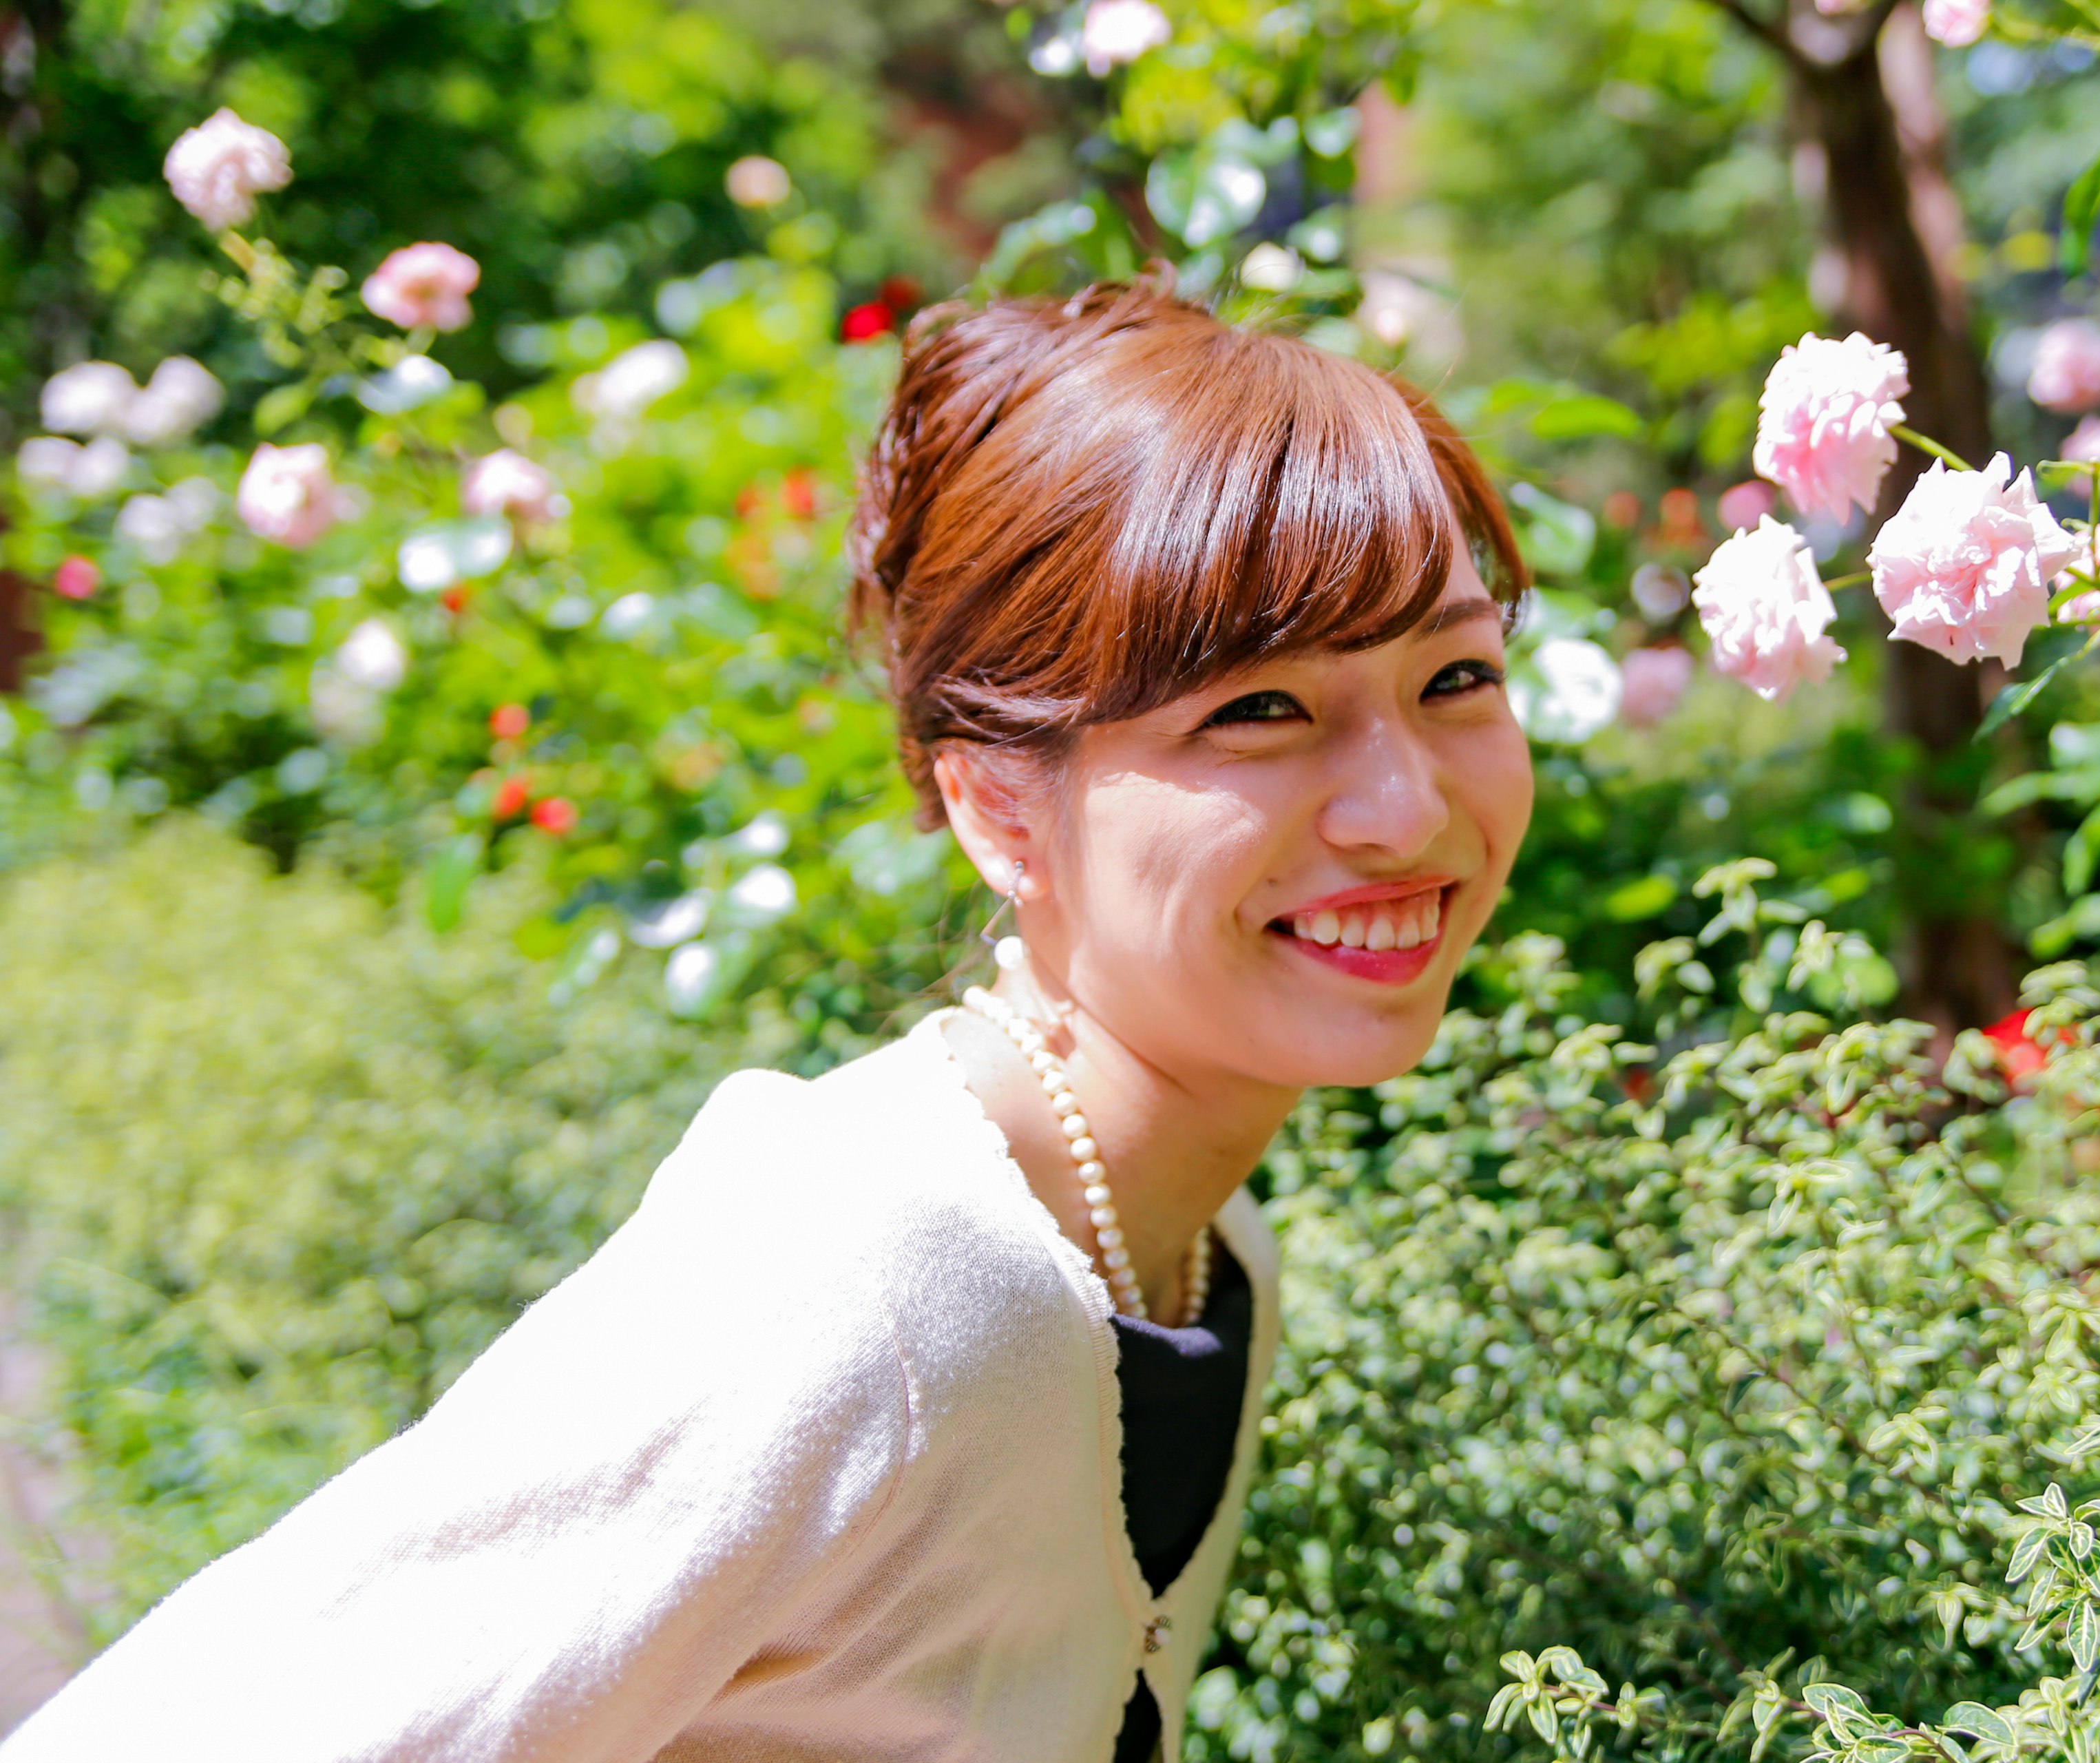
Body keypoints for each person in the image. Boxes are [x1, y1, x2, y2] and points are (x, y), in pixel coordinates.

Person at [1, 278, 1535, 1762]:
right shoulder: (879, 1275)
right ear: (1000, 804)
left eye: (1456, 675)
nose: (1406, 806)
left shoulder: (1202, 1262)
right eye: (1256, 710)